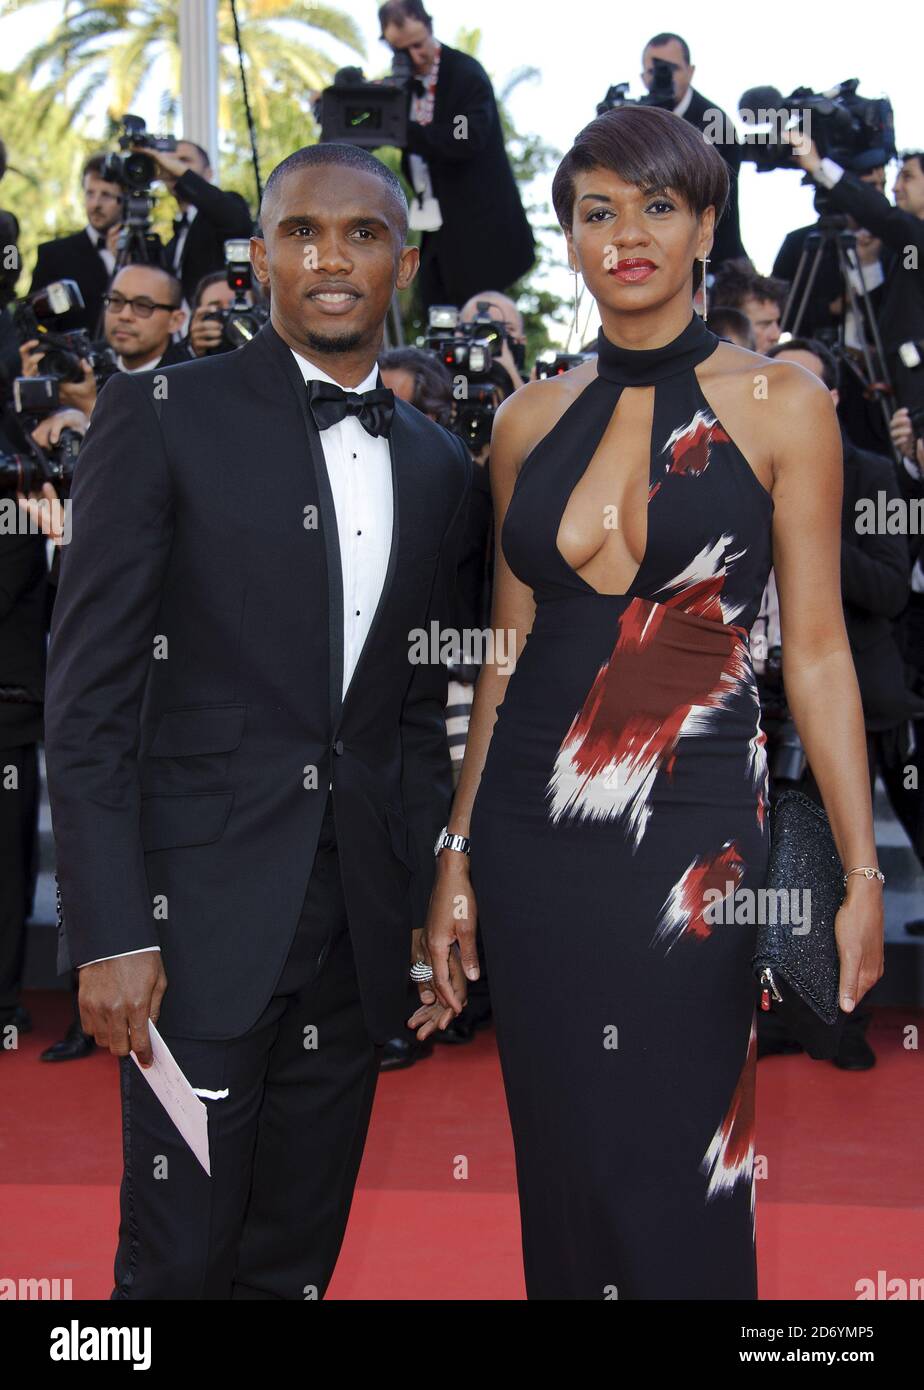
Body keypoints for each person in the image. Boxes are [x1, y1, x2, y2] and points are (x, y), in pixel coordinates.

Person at [413, 104, 884, 1300]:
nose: (627, 234)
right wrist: (458, 853)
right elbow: (504, 655)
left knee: (686, 1161)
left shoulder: (782, 403)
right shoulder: (526, 421)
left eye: (658, 207)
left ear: (705, 227)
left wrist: (860, 872)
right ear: (569, 237)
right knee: (566, 1162)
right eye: (598, 211)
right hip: (530, 839)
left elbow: (817, 653)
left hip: (693, 847)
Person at [43, 141, 471, 1299]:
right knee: (175, 1262)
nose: (330, 259)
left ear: (404, 263)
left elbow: (410, 714)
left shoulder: (439, 465)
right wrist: (109, 929)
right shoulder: (159, 413)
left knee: (294, 1260)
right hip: (190, 934)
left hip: (352, 938)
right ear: (260, 257)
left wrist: (423, 904)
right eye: (301, 233)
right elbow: (88, 701)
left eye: (362, 234)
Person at [378, 0, 535, 313]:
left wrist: (404, 131)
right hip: (436, 228)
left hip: (479, 231)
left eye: (418, 45)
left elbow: (463, 137)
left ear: (430, 27)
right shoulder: (402, 86)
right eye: (401, 51)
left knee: (478, 317)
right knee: (436, 313)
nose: (414, 57)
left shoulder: (464, 75)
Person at [641, 32, 748, 269]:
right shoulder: (634, 120)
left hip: (716, 260)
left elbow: (711, 197)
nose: (662, 77)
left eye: (671, 68)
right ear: (642, 77)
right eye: (653, 71)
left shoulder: (715, 122)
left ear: (690, 72)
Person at [141, 140, 253, 306]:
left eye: (184, 160)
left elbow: (236, 221)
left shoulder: (225, 209)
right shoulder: (174, 240)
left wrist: (182, 174)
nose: (171, 166)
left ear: (208, 173)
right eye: (170, 160)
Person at [29, 153, 124, 335]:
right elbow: (35, 324)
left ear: (124, 199)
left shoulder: (146, 254)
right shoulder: (54, 255)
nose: (95, 204)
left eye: (106, 195)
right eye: (90, 193)